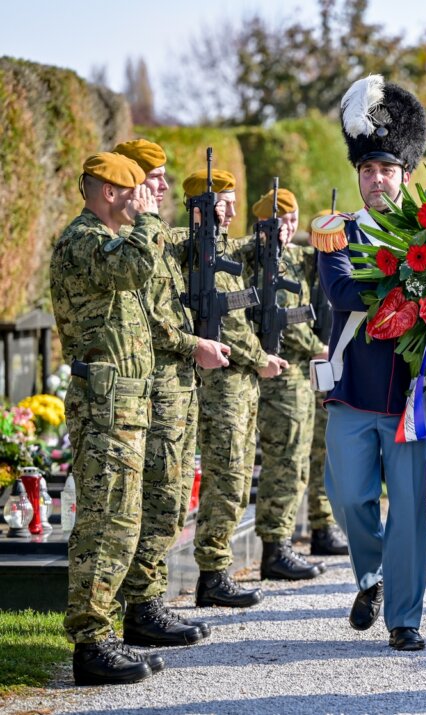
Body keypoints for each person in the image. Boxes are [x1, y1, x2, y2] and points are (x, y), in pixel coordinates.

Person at [318, 75, 426, 651]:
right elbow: (341, 294)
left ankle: (404, 618)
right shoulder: (336, 232)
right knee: (348, 499)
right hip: (353, 387)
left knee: (409, 511)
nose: (377, 179)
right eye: (367, 171)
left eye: (387, 169)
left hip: (410, 396)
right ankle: (371, 576)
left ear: (404, 176)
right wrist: (407, 287)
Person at [51, 152, 165, 685]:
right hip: (105, 403)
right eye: (134, 191)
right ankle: (90, 644)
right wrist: (148, 220)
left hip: (124, 401)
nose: (142, 199)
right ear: (107, 192)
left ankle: (104, 633)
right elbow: (137, 266)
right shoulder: (85, 241)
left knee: (121, 518)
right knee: (105, 521)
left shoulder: (103, 239)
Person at [113, 139, 227, 647]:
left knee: (174, 497)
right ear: (130, 181)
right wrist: (195, 343)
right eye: (154, 176)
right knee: (158, 497)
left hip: (177, 385)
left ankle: (149, 598)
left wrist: (210, 222)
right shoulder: (123, 240)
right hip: (155, 386)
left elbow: (190, 247)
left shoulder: (154, 234)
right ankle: (141, 605)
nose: (163, 185)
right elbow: (150, 321)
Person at [183, 169, 288, 608]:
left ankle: (217, 569)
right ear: (199, 209)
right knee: (226, 475)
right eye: (221, 203)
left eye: (232, 202)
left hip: (239, 384)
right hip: (222, 383)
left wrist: (273, 235)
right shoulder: (193, 250)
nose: (229, 211)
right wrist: (259, 357)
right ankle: (211, 572)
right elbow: (230, 325)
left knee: (239, 475)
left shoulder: (225, 250)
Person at [243, 187, 331, 580]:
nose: (290, 227)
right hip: (281, 376)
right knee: (285, 464)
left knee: (301, 461)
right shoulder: (264, 261)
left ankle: (289, 540)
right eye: (283, 221)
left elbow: (320, 261)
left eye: (294, 220)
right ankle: (275, 549)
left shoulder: (290, 256)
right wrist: (320, 348)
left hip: (299, 374)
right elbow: (289, 321)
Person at [303, 210, 349, 557]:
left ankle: (323, 525)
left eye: (292, 219)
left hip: (326, 363)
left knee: (323, 455)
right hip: (299, 369)